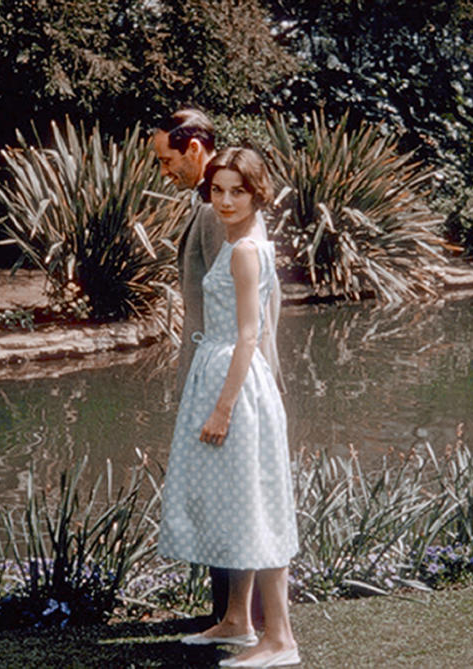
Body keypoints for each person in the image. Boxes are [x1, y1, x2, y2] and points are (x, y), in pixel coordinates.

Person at [159, 147, 299, 668]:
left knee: (256, 508)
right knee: (241, 502)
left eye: (237, 191)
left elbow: (248, 336)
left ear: (256, 192)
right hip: (224, 374)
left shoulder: (244, 251)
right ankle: (238, 619)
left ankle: (280, 638)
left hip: (234, 382)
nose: (224, 200)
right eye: (217, 190)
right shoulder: (246, 241)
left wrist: (222, 409)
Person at [152, 109, 231, 623]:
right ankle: (225, 613)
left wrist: (216, 389)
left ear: (195, 149)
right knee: (211, 492)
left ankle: (232, 615)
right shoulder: (207, 205)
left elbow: (234, 299)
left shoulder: (214, 212)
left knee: (223, 492)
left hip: (217, 370)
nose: (164, 172)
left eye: (168, 160)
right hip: (207, 366)